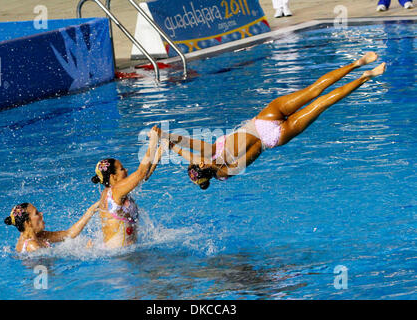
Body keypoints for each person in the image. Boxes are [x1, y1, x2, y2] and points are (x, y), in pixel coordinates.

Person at [157, 52, 386, 190]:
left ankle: (364, 73)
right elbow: (193, 153)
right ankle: (360, 68)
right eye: (199, 163)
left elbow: (190, 153)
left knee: (320, 100)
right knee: (317, 96)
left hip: (272, 136)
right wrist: (169, 140)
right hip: (266, 127)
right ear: (204, 167)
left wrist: (170, 142)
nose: (199, 160)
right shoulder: (222, 166)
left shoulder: (218, 165)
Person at [91, 126, 164, 248]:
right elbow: (140, 173)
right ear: (113, 177)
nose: (126, 170)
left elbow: (143, 176)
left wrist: (159, 151)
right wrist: (153, 142)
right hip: (121, 259)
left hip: (120, 254)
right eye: (122, 169)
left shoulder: (112, 191)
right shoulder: (116, 190)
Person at [4, 202, 99, 253]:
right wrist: (86, 251)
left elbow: (69, 234)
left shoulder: (39, 235)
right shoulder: (32, 245)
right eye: (36, 213)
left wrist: (91, 210)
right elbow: (57, 259)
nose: (41, 214)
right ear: (28, 222)